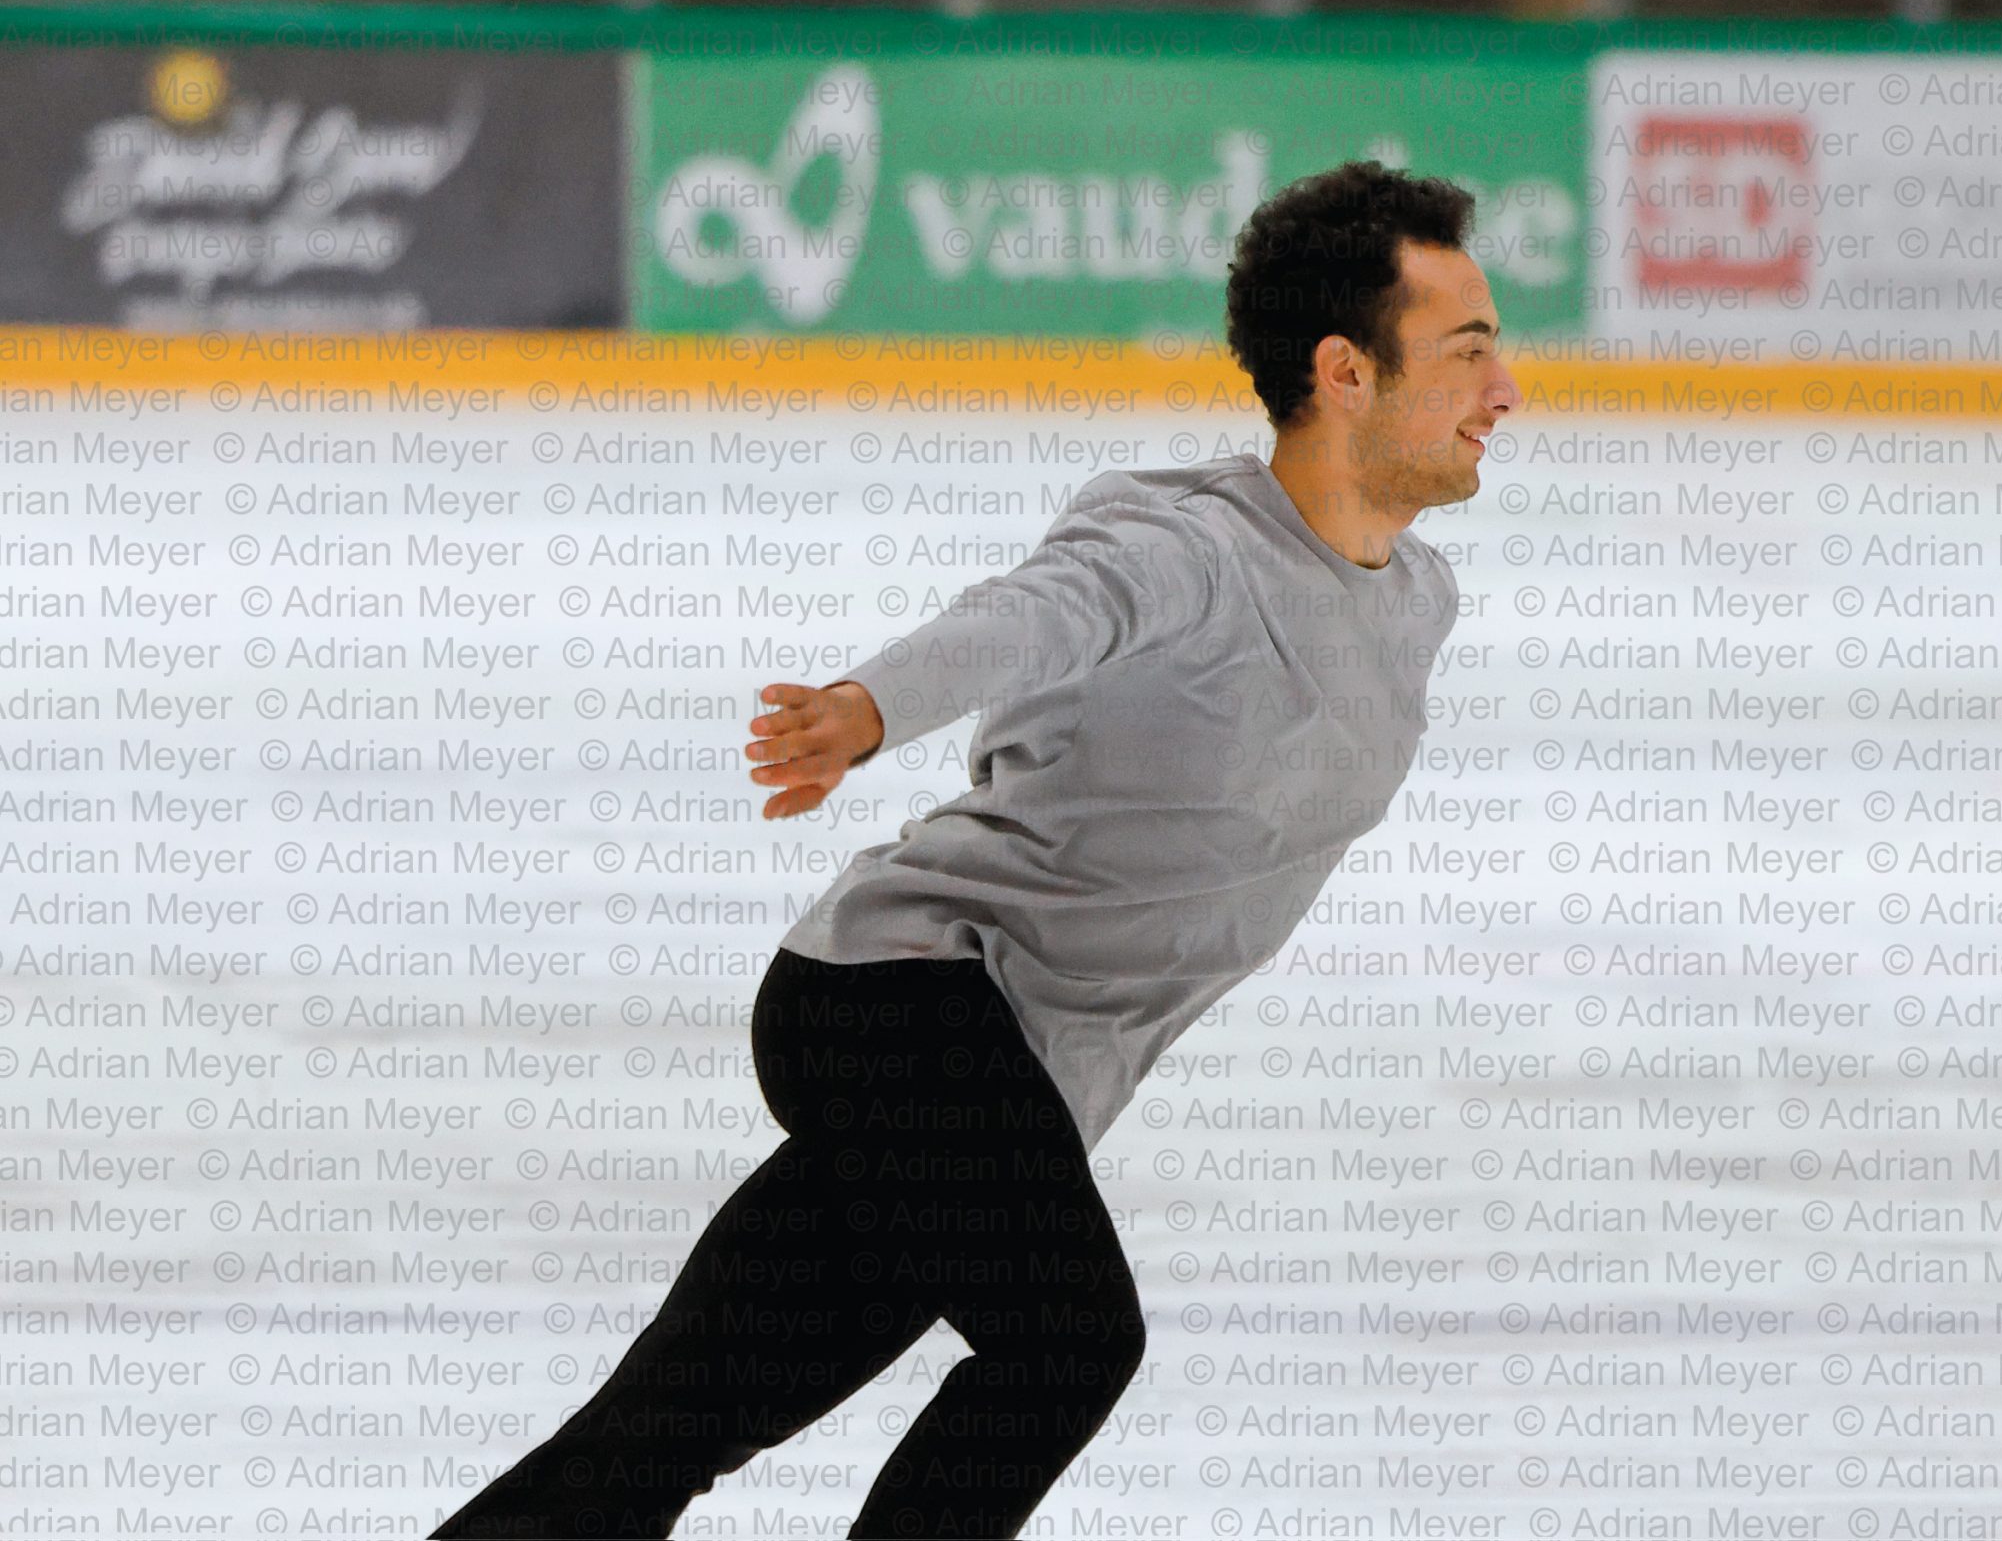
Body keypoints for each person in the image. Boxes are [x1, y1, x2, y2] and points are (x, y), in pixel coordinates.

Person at [431, 159, 1519, 1540]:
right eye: (1468, 351)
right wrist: (869, 708)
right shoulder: (1188, 547)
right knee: (1072, 1340)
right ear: (1345, 373)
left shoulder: (1417, 601)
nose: (1506, 390)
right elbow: (1032, 617)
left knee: (661, 1435)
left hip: (1025, 1085)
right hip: (902, 1003)